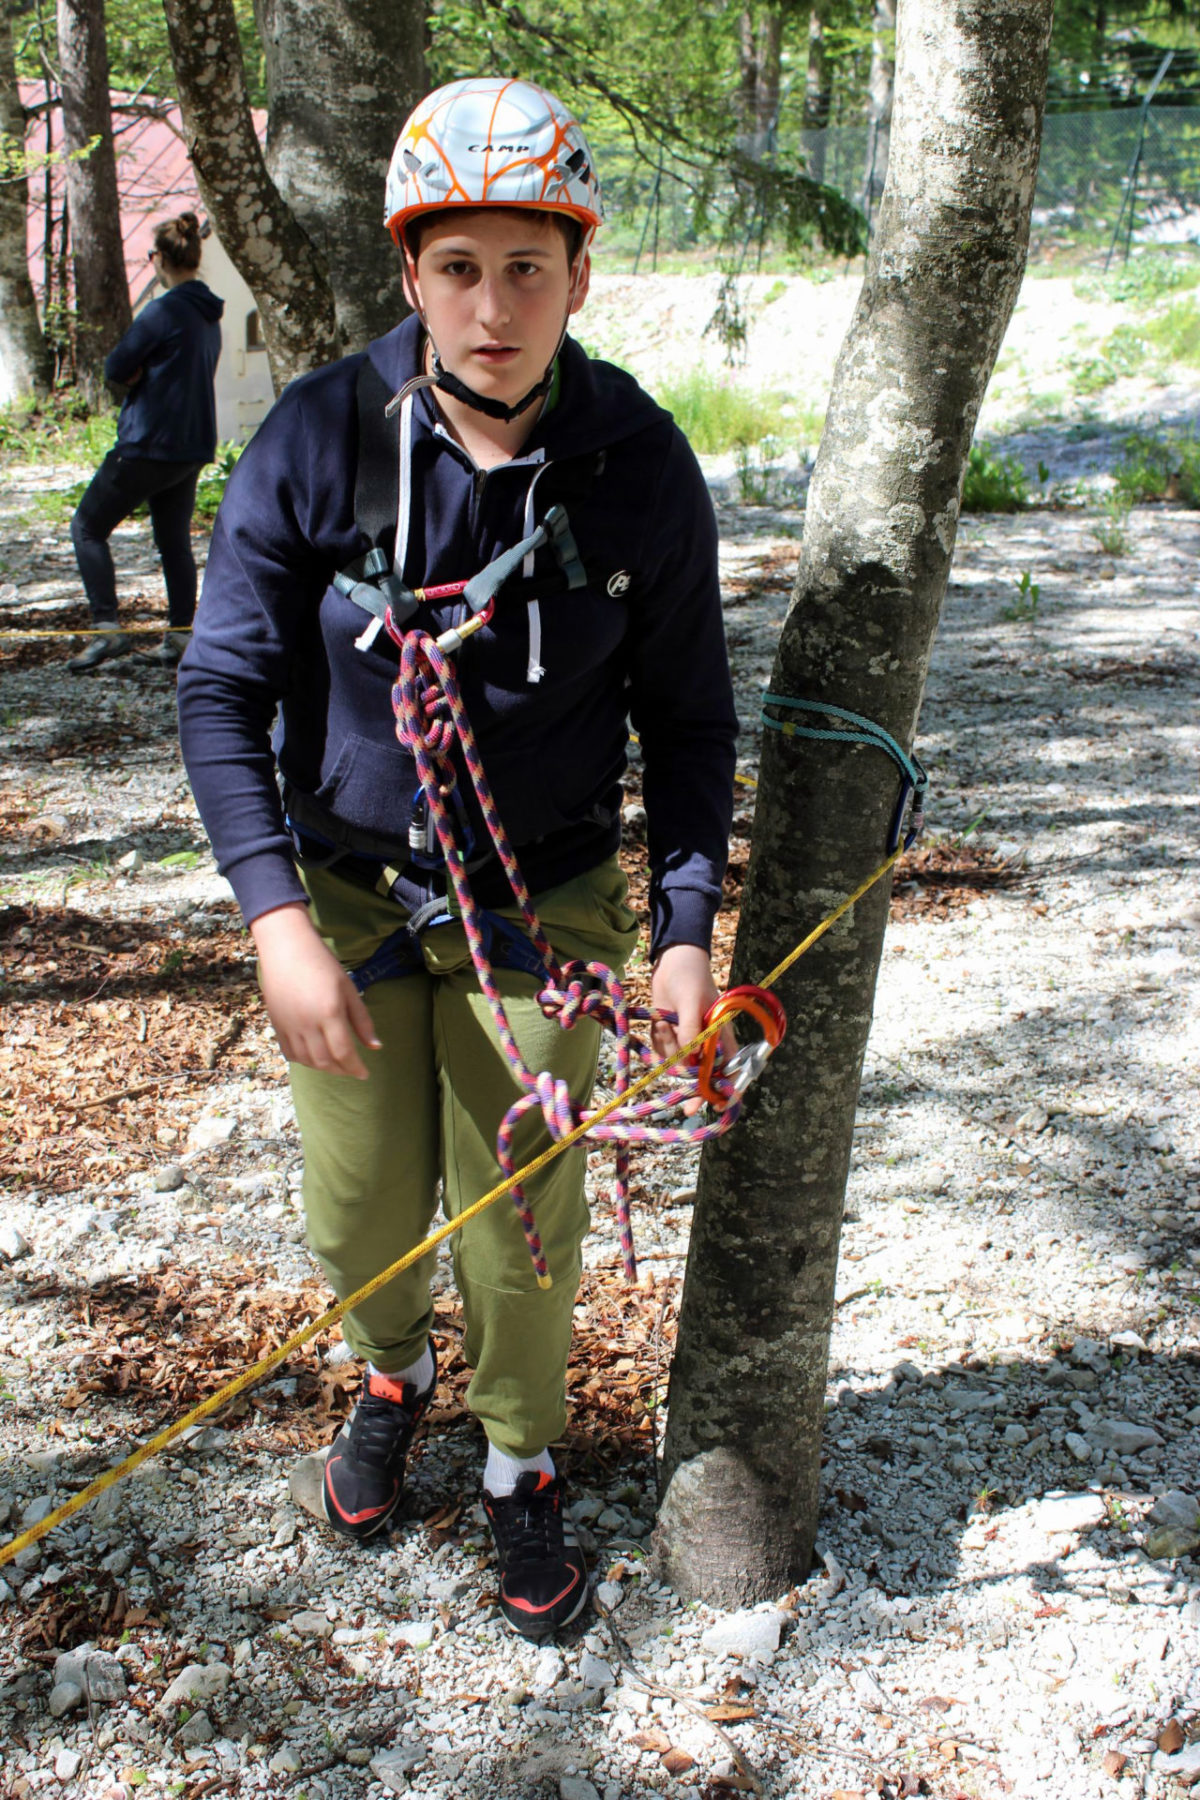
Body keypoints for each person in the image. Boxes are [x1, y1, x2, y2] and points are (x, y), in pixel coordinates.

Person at [177, 77, 737, 1641]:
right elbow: (221, 688)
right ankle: (392, 1369)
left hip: (539, 907)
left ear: (581, 275)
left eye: (529, 269)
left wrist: (684, 927)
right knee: (361, 1214)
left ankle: (517, 1458)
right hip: (347, 895)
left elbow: (692, 719)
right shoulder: (319, 439)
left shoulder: (636, 465)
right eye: (460, 268)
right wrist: (275, 919)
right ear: (411, 273)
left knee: (518, 1228)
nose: (495, 310)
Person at [68, 211, 223, 672]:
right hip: (191, 445)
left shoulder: (163, 310)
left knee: (87, 527)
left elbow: (115, 366)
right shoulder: (209, 315)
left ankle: (106, 629)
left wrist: (138, 374)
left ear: (159, 259)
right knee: (173, 541)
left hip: (149, 443)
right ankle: (179, 636)